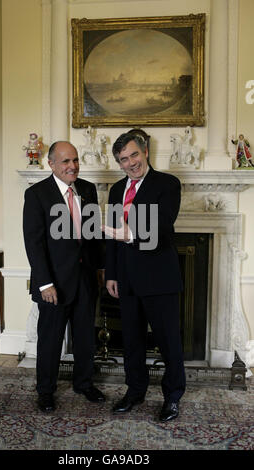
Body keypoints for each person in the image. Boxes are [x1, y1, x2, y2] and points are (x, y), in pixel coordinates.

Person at [103, 132, 186, 422]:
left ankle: (172, 397)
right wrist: (111, 275)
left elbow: (163, 226)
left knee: (168, 341)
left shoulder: (167, 184)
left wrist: (132, 233)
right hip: (126, 279)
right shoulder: (116, 191)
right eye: (123, 159)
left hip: (159, 277)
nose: (130, 163)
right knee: (132, 341)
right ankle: (135, 391)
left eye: (134, 155)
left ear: (146, 152)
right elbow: (112, 237)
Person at [23, 141, 105, 412]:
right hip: (53, 283)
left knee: (85, 336)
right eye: (66, 161)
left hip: (85, 278)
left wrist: (101, 269)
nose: (73, 166)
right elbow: (34, 243)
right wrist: (45, 283)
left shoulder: (88, 189)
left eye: (76, 160)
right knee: (50, 339)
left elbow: (93, 237)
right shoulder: (37, 194)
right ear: (52, 164)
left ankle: (84, 383)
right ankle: (45, 390)